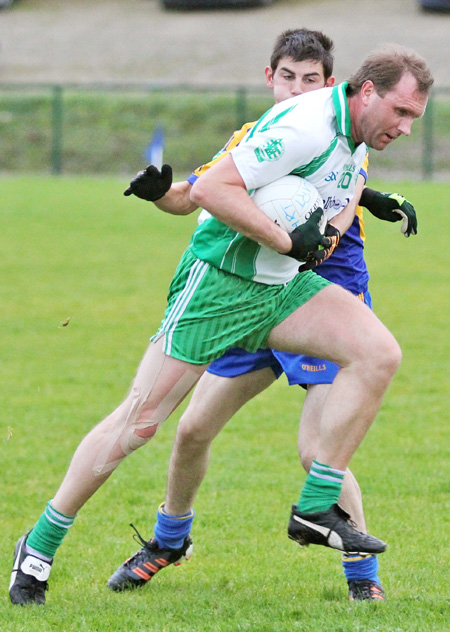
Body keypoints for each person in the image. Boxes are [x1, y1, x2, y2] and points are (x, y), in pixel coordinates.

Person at [9, 41, 433, 607]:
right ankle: (37, 547)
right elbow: (207, 190)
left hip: (283, 288)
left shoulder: (352, 137)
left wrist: (342, 217)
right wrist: (288, 238)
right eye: (401, 112)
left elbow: (334, 193)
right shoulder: (307, 125)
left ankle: (317, 506)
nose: (406, 128)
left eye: (415, 118)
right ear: (368, 92)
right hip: (220, 285)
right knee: (140, 424)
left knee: (379, 353)